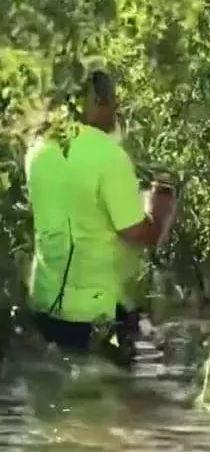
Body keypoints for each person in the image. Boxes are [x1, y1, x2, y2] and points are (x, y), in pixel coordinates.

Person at [24, 70, 175, 368]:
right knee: (114, 400)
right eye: (111, 100)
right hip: (99, 315)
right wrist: (160, 210)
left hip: (45, 306)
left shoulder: (38, 150)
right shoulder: (109, 157)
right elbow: (138, 233)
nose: (115, 110)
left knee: (57, 392)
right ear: (96, 101)